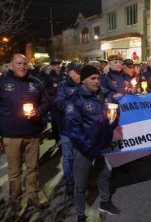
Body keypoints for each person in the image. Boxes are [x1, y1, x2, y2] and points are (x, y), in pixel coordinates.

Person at [64, 65, 120, 222]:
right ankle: (80, 214)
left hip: (104, 145)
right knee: (80, 183)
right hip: (85, 149)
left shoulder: (107, 95)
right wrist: (90, 148)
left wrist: (113, 122)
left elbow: (116, 114)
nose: (97, 81)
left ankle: (105, 202)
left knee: (104, 176)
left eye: (98, 78)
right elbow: (73, 129)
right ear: (83, 80)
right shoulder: (76, 99)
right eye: (92, 78)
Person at [0, 54, 50, 217]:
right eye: (18, 63)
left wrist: (39, 111)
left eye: (25, 63)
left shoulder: (35, 83)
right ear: (11, 66)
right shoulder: (2, 83)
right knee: (14, 172)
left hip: (32, 134)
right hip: (11, 135)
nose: (22, 66)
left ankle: (33, 196)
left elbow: (46, 102)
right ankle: (15, 201)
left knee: (33, 168)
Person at [54, 62, 82, 196]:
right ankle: (70, 183)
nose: (80, 75)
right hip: (67, 128)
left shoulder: (83, 84)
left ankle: (81, 180)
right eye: (77, 72)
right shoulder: (63, 86)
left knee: (81, 156)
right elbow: (59, 102)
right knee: (69, 157)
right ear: (70, 72)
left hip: (82, 128)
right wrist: (73, 109)